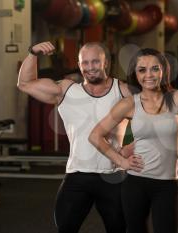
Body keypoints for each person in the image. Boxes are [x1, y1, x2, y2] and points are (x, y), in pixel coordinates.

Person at [89, 48, 178, 233]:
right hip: (135, 183)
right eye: (142, 70)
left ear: (164, 71)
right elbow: (95, 135)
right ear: (135, 74)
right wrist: (121, 161)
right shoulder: (129, 104)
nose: (149, 75)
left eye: (155, 68)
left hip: (166, 184)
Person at [17, 41, 143, 233]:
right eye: (85, 63)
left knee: (119, 229)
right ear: (79, 64)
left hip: (113, 176)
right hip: (77, 175)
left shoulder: (123, 91)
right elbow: (25, 84)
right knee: (65, 228)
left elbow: (157, 122)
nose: (90, 67)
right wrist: (32, 53)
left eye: (95, 62)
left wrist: (128, 148)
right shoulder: (66, 90)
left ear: (106, 63)